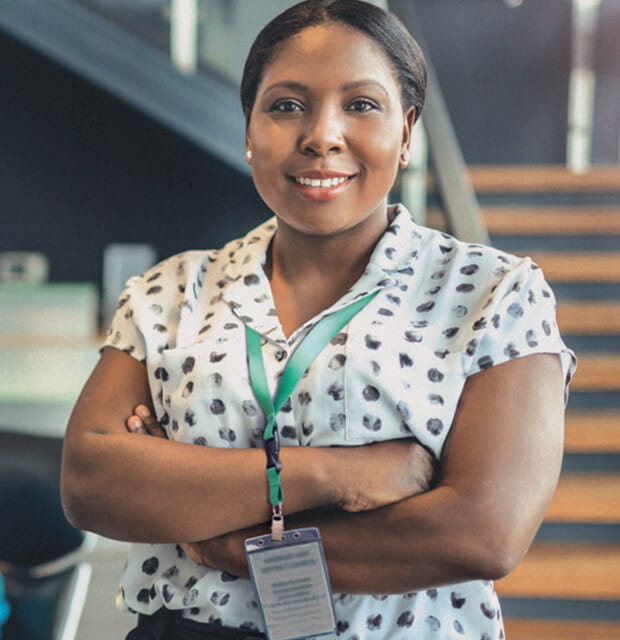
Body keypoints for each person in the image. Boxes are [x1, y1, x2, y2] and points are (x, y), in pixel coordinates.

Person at [61, 1, 576, 638]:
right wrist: (342, 475)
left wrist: (225, 536)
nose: (322, 135)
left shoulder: (496, 295)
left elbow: (482, 533)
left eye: (361, 104)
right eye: (286, 105)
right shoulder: (170, 292)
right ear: (248, 129)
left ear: (407, 131)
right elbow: (92, 482)